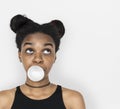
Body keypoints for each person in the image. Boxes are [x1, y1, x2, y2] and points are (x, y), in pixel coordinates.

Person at [0, 14, 85, 109]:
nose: (38, 59)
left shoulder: (72, 99)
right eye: (30, 50)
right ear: (20, 55)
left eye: (46, 51)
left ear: (55, 57)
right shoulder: (3, 100)